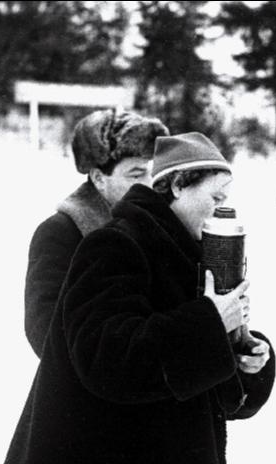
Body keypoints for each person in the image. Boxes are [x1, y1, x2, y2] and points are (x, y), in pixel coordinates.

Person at [0, 132, 276, 464]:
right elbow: (106, 356)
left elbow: (205, 387)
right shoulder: (114, 244)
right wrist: (209, 322)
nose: (221, 210)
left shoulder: (191, 256)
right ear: (176, 185)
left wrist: (245, 358)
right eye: (215, 198)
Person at [24, 108, 168, 357]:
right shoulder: (60, 233)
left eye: (152, 172)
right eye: (136, 174)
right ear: (99, 178)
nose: (149, 184)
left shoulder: (154, 228)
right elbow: (44, 330)